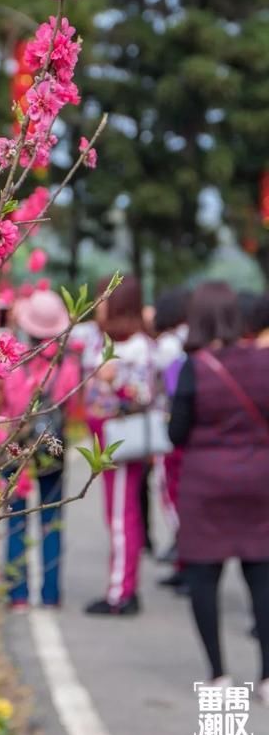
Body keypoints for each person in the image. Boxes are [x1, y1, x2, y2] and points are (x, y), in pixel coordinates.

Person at [169, 281, 269, 702]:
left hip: (206, 483)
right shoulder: (264, 362)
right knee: (262, 578)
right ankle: (267, 675)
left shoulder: (195, 366)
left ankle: (218, 674)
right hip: (260, 480)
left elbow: (177, 433)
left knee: (204, 576)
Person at [2, 288, 80, 610]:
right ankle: (50, 594)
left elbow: (7, 403)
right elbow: (71, 406)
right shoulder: (68, 365)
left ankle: (16, 594)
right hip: (52, 439)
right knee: (52, 516)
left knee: (15, 518)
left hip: (16, 441)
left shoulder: (12, 361)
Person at [84, 275, 157, 616]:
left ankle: (121, 592)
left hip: (120, 441)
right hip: (111, 440)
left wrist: (112, 381)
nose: (97, 306)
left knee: (120, 517)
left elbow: (142, 396)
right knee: (119, 514)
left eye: (103, 299)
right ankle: (124, 586)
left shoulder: (131, 348)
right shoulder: (120, 342)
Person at [153, 287, 190, 589]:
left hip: (170, 425)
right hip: (193, 428)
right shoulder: (195, 337)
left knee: (170, 494)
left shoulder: (165, 345)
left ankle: (184, 555)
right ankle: (185, 561)